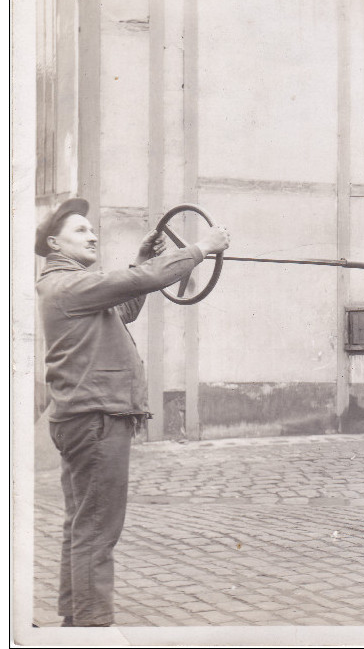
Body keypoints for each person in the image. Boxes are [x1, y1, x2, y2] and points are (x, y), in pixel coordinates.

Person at [35, 198, 230, 627]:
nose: (92, 235)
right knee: (98, 529)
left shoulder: (73, 287)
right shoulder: (69, 286)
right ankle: (91, 626)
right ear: (54, 243)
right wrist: (201, 248)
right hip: (97, 419)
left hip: (86, 418)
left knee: (82, 523)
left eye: (91, 229)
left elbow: (124, 305)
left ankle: (75, 616)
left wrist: (143, 258)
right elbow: (139, 280)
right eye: (80, 230)